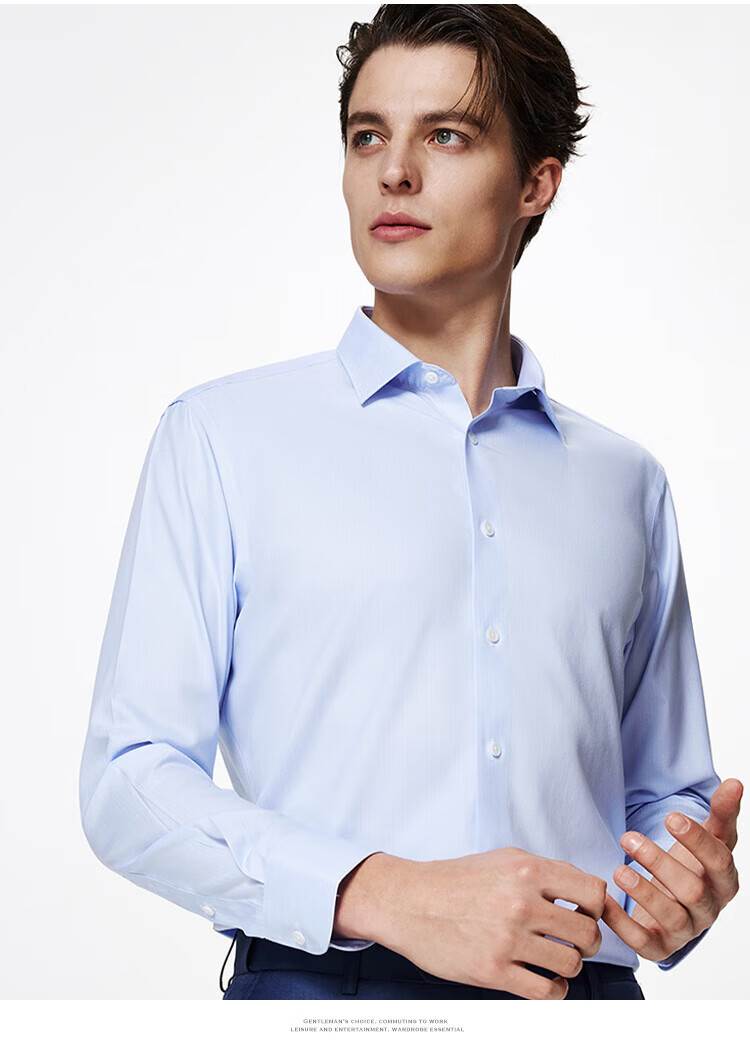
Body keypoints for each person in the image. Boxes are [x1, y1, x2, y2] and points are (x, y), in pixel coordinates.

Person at [78, 4, 741, 1001]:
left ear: (535, 183)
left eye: (446, 135)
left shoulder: (626, 482)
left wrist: (679, 886)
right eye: (366, 136)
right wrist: (378, 890)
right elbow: (128, 780)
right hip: (322, 995)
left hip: (581, 999)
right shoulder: (222, 438)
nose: (393, 171)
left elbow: (665, 796)